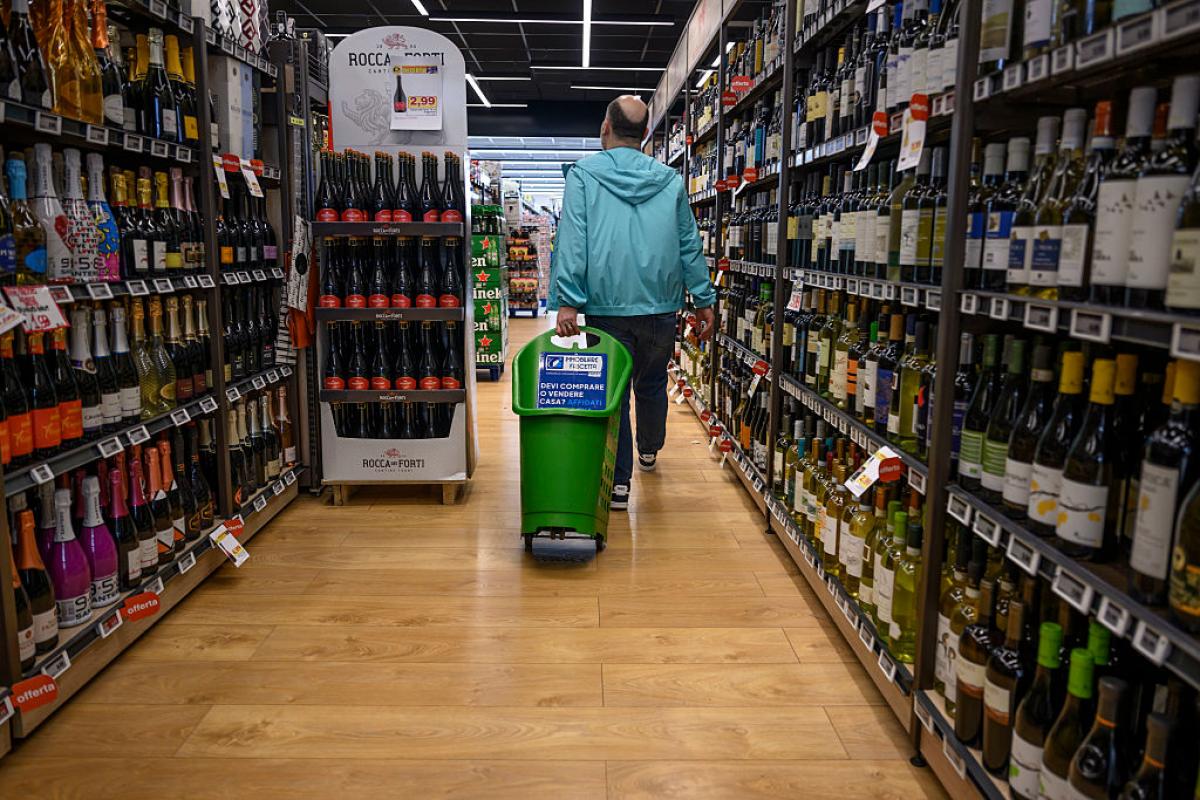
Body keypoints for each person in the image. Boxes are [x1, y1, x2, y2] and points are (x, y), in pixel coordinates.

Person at [549, 95, 716, 511]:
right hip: (661, 304)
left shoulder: (584, 176)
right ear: (645, 136)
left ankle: (618, 483)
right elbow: (688, 245)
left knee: (615, 392)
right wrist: (703, 298)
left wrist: (568, 300)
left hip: (606, 307)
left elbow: (573, 240)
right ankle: (649, 450)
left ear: (605, 128)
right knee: (653, 382)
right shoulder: (670, 179)